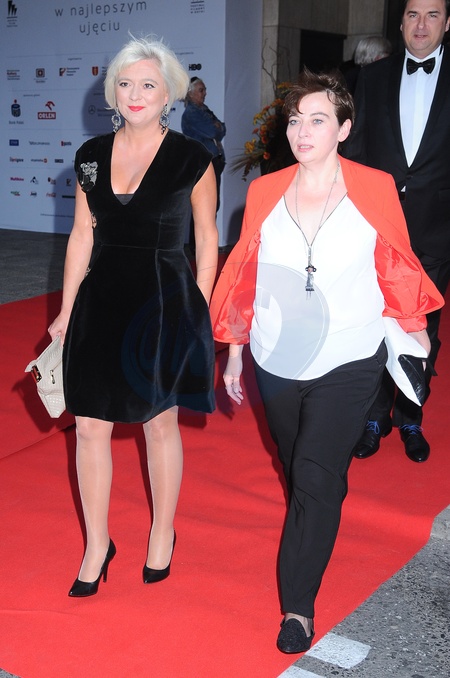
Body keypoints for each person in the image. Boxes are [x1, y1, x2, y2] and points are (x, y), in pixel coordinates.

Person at [210, 69, 443, 654]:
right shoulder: (266, 191)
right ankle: (320, 498)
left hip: (349, 354)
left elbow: (396, 263)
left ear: (344, 128)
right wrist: (235, 350)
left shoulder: (374, 187)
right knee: (299, 467)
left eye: (317, 120)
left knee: (314, 476)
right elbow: (247, 274)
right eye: (295, 120)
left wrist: (413, 337)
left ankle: (298, 606)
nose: (303, 131)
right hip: (276, 356)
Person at [48, 36, 218, 597]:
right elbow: (81, 235)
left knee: (158, 422)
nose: (135, 93)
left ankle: (162, 531)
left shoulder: (193, 159)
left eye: (148, 84)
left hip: (161, 305)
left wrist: (198, 311)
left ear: (168, 93)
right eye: (125, 83)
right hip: (100, 301)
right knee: (88, 426)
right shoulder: (90, 155)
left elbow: (207, 240)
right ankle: (97, 544)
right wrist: (66, 311)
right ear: (112, 92)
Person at [343, 0, 450, 463]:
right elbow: (357, 152)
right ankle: (373, 417)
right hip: (378, 227)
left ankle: (410, 417)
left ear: (447, 22)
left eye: (432, 15)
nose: (421, 25)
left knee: (422, 327)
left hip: (436, 228)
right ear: (401, 21)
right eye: (412, 15)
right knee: (373, 323)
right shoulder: (372, 77)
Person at [181, 77, 226, 252]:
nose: (205, 93)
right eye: (201, 90)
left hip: (213, 161)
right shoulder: (192, 113)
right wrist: (216, 127)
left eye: (204, 89)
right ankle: (198, 247)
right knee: (204, 205)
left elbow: (222, 128)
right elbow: (213, 130)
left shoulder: (203, 110)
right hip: (203, 163)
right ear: (190, 93)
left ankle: (204, 245)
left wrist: (218, 127)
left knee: (211, 204)